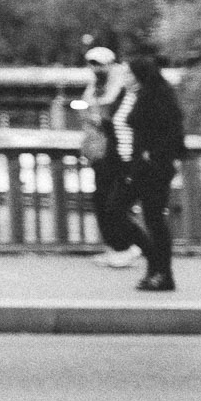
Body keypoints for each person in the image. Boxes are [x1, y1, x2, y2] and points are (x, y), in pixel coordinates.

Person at [124, 52, 187, 292]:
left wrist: (152, 154)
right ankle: (159, 270)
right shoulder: (151, 94)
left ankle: (161, 271)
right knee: (152, 219)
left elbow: (168, 132)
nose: (126, 77)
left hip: (153, 168)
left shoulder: (154, 97)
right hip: (150, 166)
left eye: (129, 73)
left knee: (152, 219)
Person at [79, 45, 141, 269]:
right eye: (92, 64)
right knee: (101, 200)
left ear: (111, 63)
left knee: (113, 203)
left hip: (116, 153)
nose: (95, 68)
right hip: (99, 151)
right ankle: (115, 246)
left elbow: (112, 117)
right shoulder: (95, 86)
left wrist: (97, 118)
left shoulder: (121, 86)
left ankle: (129, 246)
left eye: (100, 63)